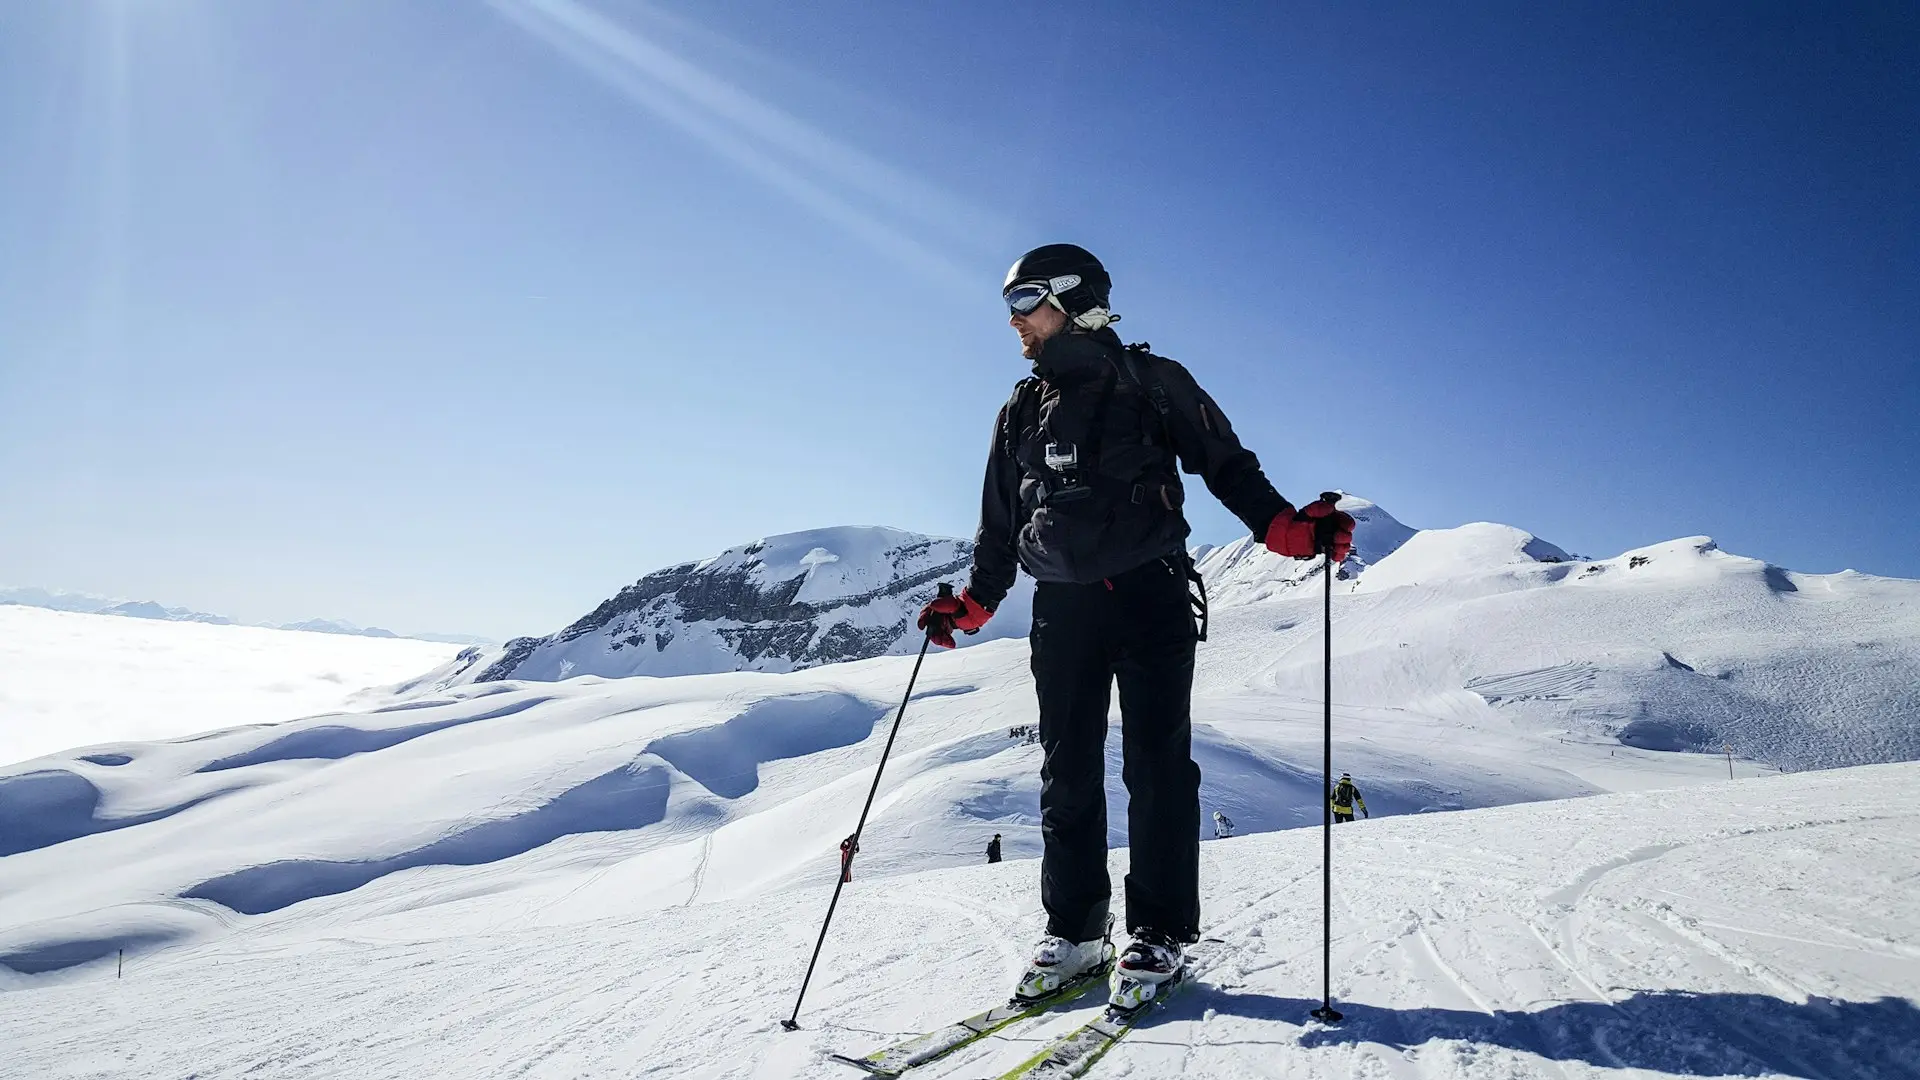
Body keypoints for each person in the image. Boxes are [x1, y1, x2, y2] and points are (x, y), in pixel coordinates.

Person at [918, 244, 1353, 1004]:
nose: (1013, 321)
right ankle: (1078, 932)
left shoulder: (1156, 383)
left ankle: (1157, 933)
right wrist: (978, 602)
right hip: (1063, 610)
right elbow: (999, 523)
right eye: (1010, 305)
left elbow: (1228, 465)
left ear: (1074, 298)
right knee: (1067, 769)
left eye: (1026, 301)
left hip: (1151, 594)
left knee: (1156, 764)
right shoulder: (1019, 408)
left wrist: (1284, 529)